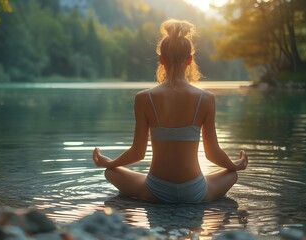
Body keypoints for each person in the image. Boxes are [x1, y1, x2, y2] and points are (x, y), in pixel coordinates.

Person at [92, 19, 248, 204]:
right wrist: (235, 165)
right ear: (190, 60)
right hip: (195, 192)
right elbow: (212, 153)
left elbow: (137, 152)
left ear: (161, 60)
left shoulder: (144, 98)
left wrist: (109, 163)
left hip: (155, 191)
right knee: (231, 175)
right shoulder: (206, 98)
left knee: (111, 173)